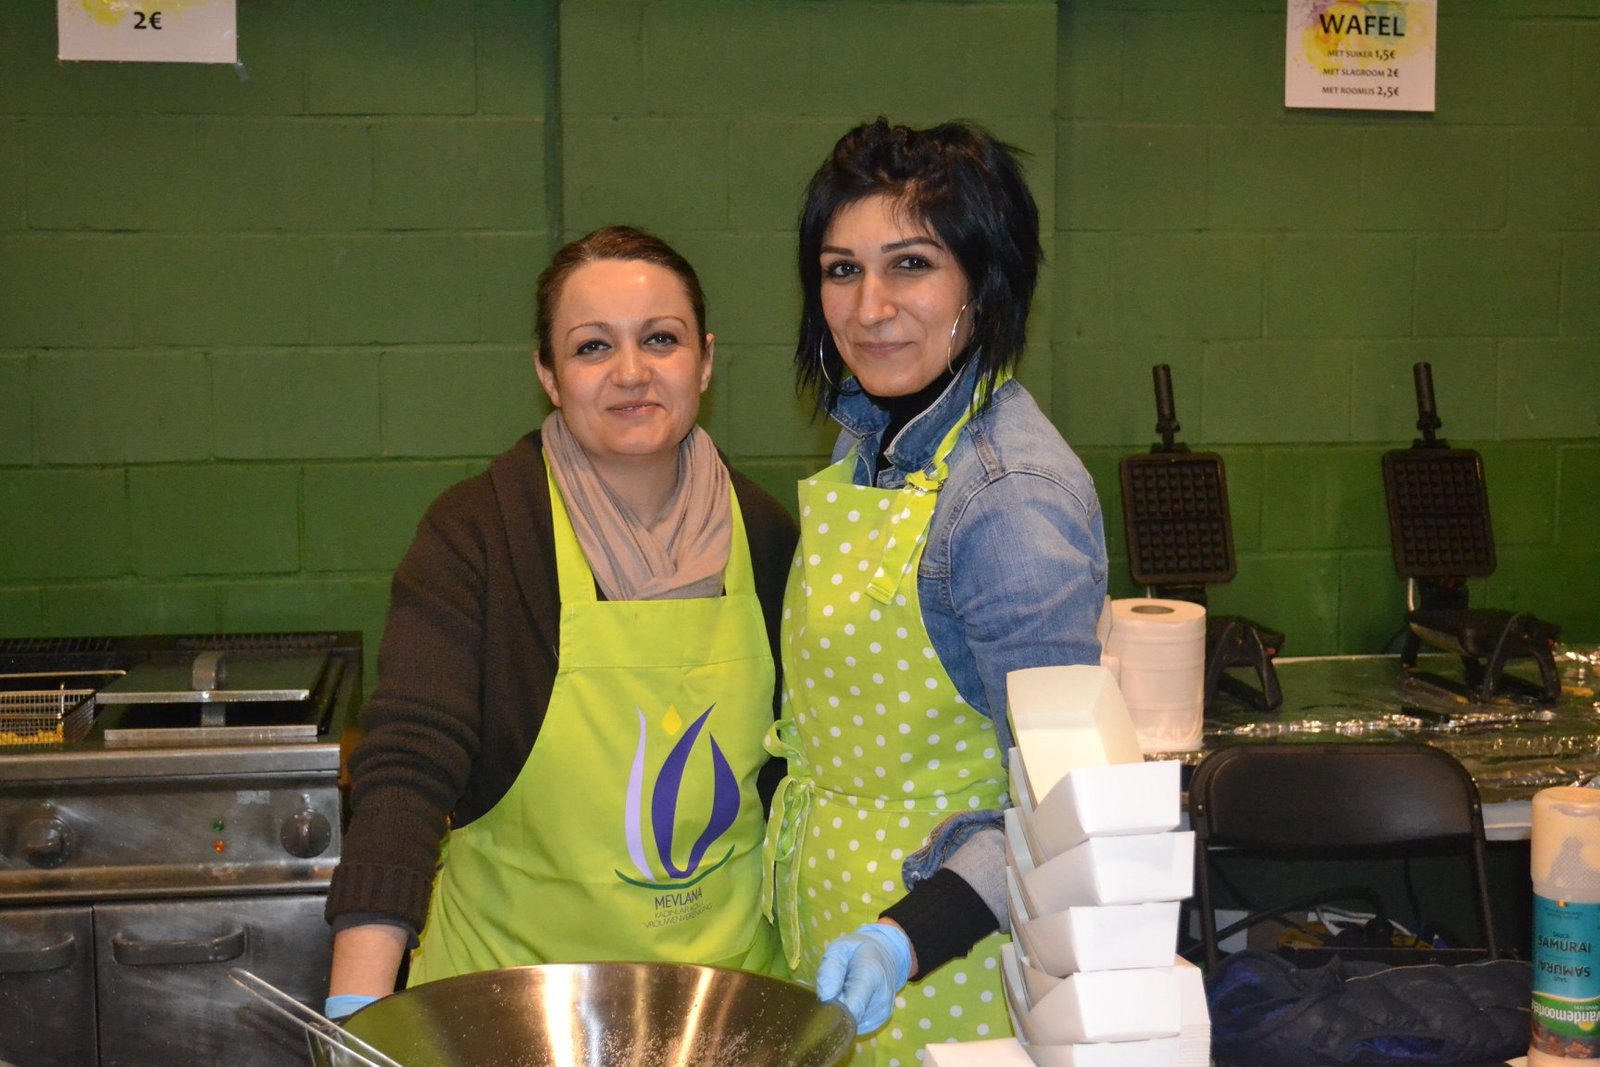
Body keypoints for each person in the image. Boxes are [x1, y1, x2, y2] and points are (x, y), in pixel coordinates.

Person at [323, 226, 799, 1019]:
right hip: (509, 1010)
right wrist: (358, 1003)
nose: (631, 372)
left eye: (661, 339)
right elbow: (408, 766)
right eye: (592, 347)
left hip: (720, 1011)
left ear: (705, 361)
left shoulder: (769, 535)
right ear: (547, 374)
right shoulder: (480, 535)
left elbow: (798, 778)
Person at [761, 120, 1108, 1064]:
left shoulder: (1008, 498)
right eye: (841, 270)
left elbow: (1062, 800)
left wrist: (905, 936)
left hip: (949, 982)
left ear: (982, 282)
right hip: (839, 960)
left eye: (910, 265)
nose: (869, 307)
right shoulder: (872, 444)